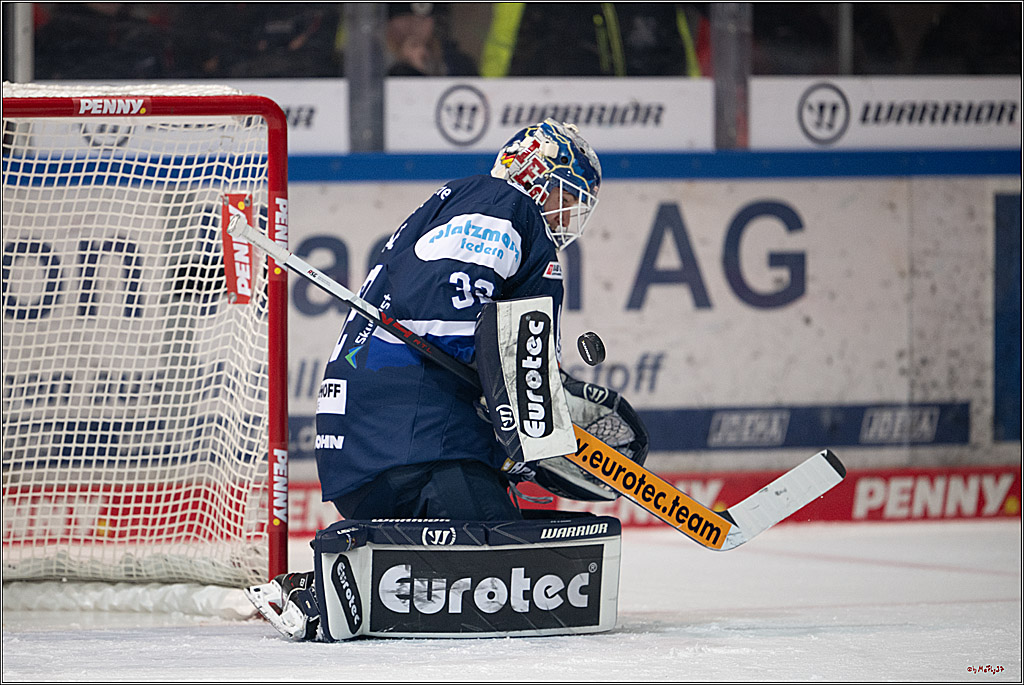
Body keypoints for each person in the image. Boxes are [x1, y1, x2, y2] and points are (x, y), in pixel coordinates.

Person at [247, 120, 649, 641]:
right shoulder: (503, 202)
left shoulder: (464, 203)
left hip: (381, 448)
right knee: (520, 585)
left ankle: (350, 571)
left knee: (529, 570)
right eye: (569, 197)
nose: (570, 216)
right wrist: (526, 419)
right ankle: (323, 593)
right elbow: (452, 312)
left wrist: (521, 422)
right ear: (537, 173)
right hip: (419, 446)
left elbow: (474, 333)